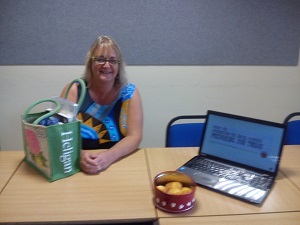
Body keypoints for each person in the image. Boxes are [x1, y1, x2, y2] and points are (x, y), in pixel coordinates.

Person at [60, 35, 143, 174]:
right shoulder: (73, 90)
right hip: (77, 166)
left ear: (119, 65)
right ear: (90, 63)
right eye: (100, 59)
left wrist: (108, 156)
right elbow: (60, 134)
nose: (106, 65)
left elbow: (135, 136)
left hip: (117, 164)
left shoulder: (129, 93)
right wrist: (80, 155)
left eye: (112, 60)